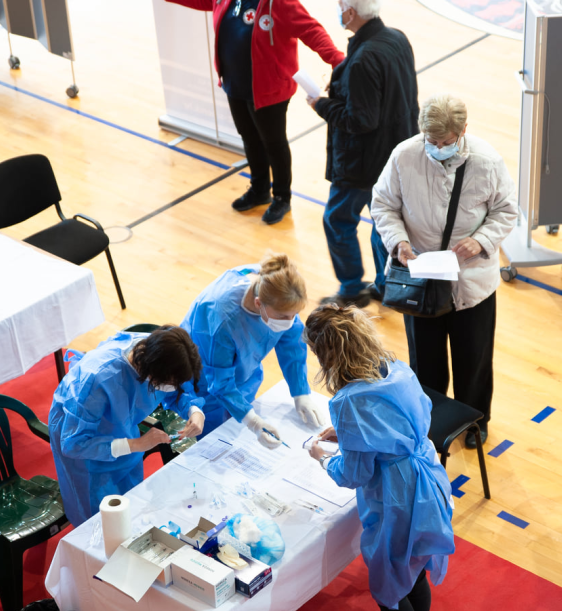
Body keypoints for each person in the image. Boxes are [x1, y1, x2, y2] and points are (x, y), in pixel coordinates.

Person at [303, 304, 454, 611]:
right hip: (427, 480)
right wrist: (352, 435)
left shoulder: (348, 401)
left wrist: (323, 456)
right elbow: (408, 417)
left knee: (390, 585)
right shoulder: (397, 369)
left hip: (396, 499)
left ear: (327, 355)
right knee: (414, 570)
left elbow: (353, 474)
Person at [371, 94, 518, 449]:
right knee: (426, 363)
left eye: (445, 142)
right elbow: (383, 205)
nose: (436, 148)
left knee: (475, 360)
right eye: (430, 142)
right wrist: (399, 243)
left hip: (472, 283)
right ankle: (432, 419)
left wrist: (481, 240)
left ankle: (475, 420)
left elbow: (506, 212)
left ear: (463, 131)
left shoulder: (487, 161)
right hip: (421, 280)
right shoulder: (404, 155)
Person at [167, 0, 343, 225]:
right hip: (235, 84)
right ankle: (260, 189)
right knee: (249, 138)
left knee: (274, 143)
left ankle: (281, 197)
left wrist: (338, 62)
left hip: (269, 89)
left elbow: (311, 30)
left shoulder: (280, 3)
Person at [310, 0, 418, 307]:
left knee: (338, 220)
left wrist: (321, 103)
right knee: (384, 224)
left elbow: (359, 120)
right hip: (394, 154)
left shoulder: (361, 60)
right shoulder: (396, 38)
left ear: (352, 12)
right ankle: (387, 287)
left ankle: (351, 289)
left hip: (361, 164)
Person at [49, 326, 205, 526]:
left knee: (130, 500)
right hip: (80, 436)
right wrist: (135, 444)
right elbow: (74, 444)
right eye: (167, 382)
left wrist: (194, 410)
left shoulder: (156, 354)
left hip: (121, 426)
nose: (171, 387)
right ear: (152, 373)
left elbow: (178, 388)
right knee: (100, 517)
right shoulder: (97, 380)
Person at [181, 253, 322, 445]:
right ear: (258, 304)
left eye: (295, 314)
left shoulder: (274, 285)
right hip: (204, 382)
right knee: (216, 443)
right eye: (283, 317)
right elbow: (220, 383)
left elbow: (292, 344)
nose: (290, 322)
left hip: (244, 375)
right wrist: (253, 421)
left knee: (242, 433)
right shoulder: (221, 317)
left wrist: (300, 393)